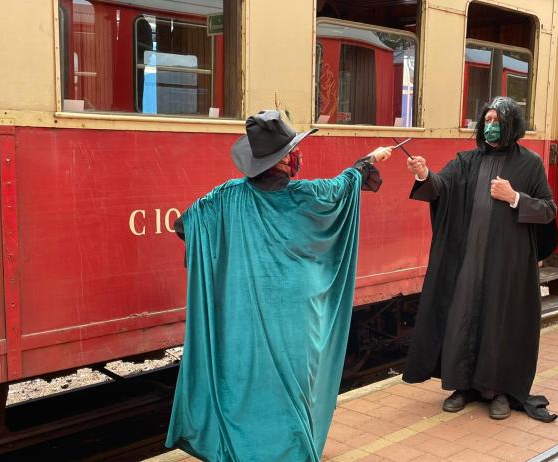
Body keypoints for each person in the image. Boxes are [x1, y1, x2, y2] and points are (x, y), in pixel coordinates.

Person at [166, 109, 392, 461]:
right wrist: (370, 160)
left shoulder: (225, 197)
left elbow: (183, 226)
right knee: (293, 389)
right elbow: (344, 185)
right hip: (297, 317)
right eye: (293, 150)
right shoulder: (307, 195)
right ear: (286, 159)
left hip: (244, 315)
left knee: (248, 385)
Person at [402, 96, 558, 422]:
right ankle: (463, 387)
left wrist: (515, 198)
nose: (490, 126)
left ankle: (498, 391)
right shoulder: (467, 161)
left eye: (496, 121)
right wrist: (423, 174)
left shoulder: (530, 164)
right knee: (463, 319)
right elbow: (441, 187)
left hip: (507, 264)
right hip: (468, 262)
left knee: (498, 323)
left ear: (511, 125)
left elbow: (548, 209)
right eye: (487, 120)